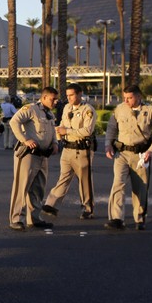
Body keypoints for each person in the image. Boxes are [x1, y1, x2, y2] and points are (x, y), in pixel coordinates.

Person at [104, 85, 152, 231]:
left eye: (129, 98)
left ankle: (139, 218)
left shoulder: (149, 111)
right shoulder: (120, 109)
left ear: (139, 96)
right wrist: (108, 145)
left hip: (141, 155)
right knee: (118, 183)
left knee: (140, 188)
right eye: (124, 97)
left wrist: (150, 151)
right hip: (122, 154)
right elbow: (111, 129)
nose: (126, 100)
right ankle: (116, 218)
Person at [42, 83, 97, 220]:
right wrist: (59, 134)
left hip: (81, 150)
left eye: (72, 95)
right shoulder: (67, 107)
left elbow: (87, 130)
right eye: (67, 95)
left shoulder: (88, 110)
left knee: (85, 181)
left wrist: (67, 131)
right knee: (63, 178)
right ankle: (51, 204)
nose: (69, 98)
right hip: (67, 148)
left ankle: (88, 208)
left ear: (80, 94)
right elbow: (62, 123)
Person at [7, 86, 59, 231]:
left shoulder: (49, 114)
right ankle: (16, 219)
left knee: (38, 189)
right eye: (53, 99)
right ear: (44, 97)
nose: (55, 101)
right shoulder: (31, 109)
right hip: (28, 155)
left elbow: (52, 130)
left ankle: (34, 218)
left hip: (43, 155)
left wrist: (55, 143)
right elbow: (14, 122)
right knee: (21, 187)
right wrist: (25, 140)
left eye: (56, 99)